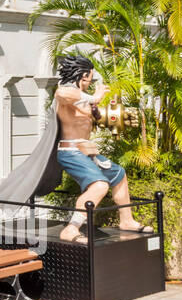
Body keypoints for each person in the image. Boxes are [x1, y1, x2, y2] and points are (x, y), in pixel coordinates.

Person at [54, 54, 153, 243]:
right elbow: (63, 94)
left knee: (118, 174)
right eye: (89, 80)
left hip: (88, 151)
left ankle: (127, 220)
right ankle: (71, 228)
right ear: (82, 76)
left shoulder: (83, 99)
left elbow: (96, 117)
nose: (90, 84)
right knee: (100, 185)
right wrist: (93, 97)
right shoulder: (67, 91)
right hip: (70, 151)